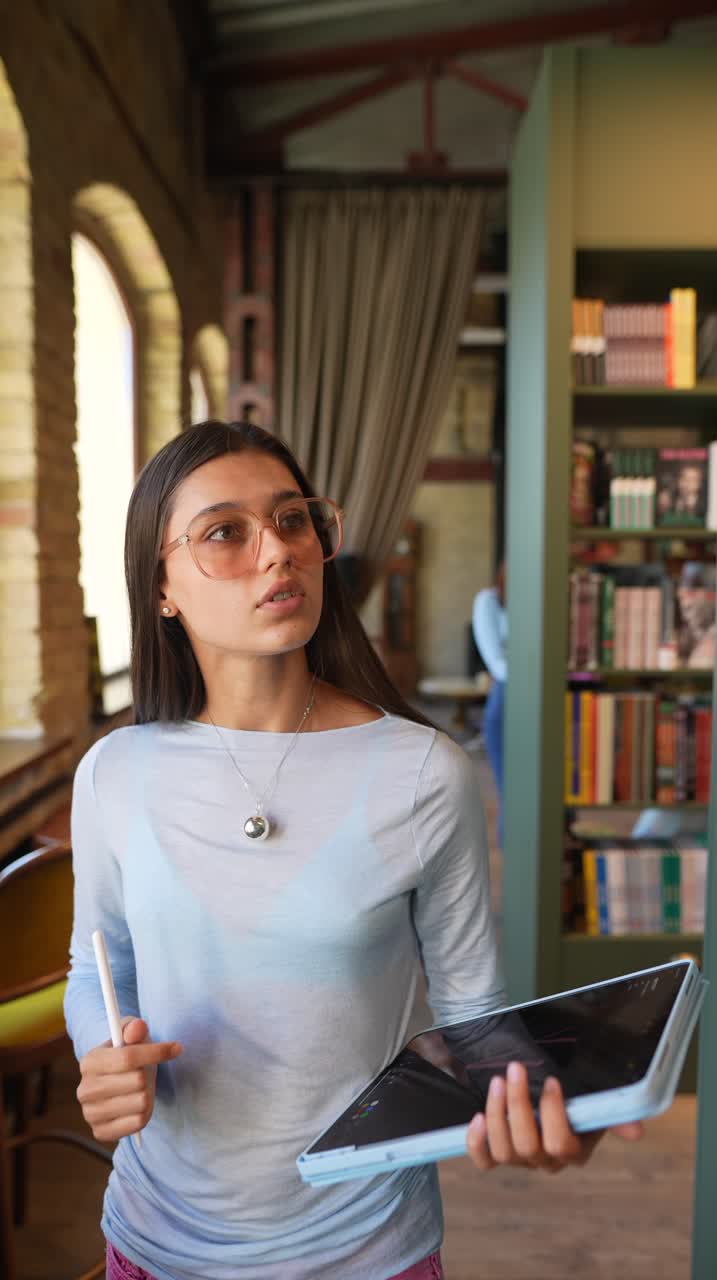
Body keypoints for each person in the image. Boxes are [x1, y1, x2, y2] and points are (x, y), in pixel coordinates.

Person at [65, 422, 643, 1280]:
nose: (278, 552)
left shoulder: (422, 773)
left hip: (368, 1248)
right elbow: (96, 967)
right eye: (226, 533)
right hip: (154, 1242)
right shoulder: (114, 772)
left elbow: (472, 1016)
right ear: (160, 588)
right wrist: (102, 1057)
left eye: (293, 520)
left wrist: (546, 1099)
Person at [471, 561, 507, 846]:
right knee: (512, 793)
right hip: (507, 701)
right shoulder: (489, 601)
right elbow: (498, 665)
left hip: (544, 699)